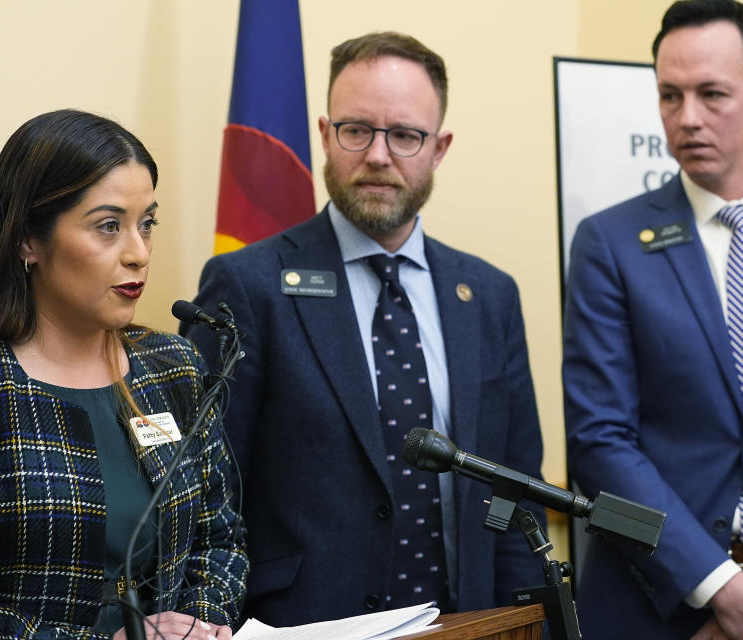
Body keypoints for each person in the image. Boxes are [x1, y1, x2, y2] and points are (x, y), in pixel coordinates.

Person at [182, 32, 544, 626]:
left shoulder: (488, 295)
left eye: (404, 134)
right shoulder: (249, 285)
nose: (378, 155)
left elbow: (516, 486)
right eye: (357, 130)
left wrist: (523, 619)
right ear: (325, 136)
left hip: (467, 625)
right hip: (301, 627)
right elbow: (206, 488)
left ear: (440, 147)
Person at [563, 1, 743, 638]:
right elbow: (599, 442)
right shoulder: (609, 244)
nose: (687, 118)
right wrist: (718, 585)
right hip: (657, 605)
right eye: (669, 95)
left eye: (712, 94)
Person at [0, 110, 247, 639]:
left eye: (146, 223)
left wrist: (199, 621)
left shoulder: (174, 367)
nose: (138, 253)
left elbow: (221, 539)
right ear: (28, 241)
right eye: (108, 226)